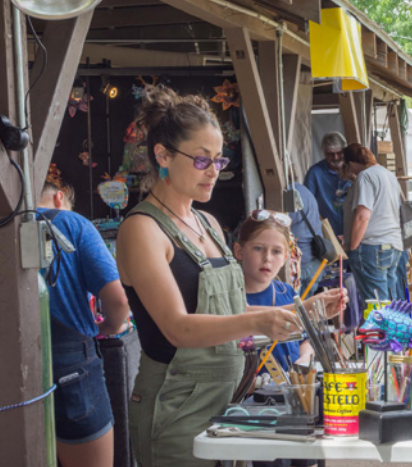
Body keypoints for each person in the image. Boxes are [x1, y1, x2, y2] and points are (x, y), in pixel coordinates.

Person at [116, 87, 346, 467]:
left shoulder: (206, 222)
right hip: (176, 406)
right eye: (202, 161)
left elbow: (230, 317)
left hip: (231, 401)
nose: (213, 173)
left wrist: (305, 310)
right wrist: (261, 319)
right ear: (163, 155)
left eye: (219, 161)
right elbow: (178, 328)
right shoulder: (142, 229)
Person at [37, 181, 130, 467]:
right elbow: (117, 301)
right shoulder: (71, 222)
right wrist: (112, 327)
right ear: (59, 197)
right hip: (69, 364)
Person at [234, 213, 327, 370]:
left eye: (276, 251)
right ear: (239, 251)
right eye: (258, 248)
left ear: (285, 257)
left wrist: (304, 358)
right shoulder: (230, 296)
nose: (267, 258)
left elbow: (305, 339)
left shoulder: (287, 292)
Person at [342, 143, 403, 301]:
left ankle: (379, 327)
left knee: (375, 304)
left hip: (372, 246)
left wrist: (353, 247)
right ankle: (390, 327)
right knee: (389, 301)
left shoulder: (365, 176)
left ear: (351, 164)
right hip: (393, 244)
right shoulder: (388, 175)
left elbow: (363, 216)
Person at [303, 132, 351, 238]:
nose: (336, 157)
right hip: (326, 233)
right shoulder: (315, 173)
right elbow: (307, 204)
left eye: (339, 153)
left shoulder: (354, 170)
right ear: (324, 153)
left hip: (353, 232)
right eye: (330, 154)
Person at [288, 181, 325, 296]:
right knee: (305, 311)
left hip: (300, 264)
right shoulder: (305, 191)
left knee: (294, 311)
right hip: (315, 262)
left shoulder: (288, 194)